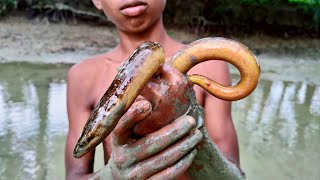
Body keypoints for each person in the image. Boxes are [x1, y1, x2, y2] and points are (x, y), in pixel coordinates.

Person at [65, 0, 240, 179]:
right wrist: (112, 175)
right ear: (96, 1)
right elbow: (74, 176)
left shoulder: (210, 64)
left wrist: (192, 121)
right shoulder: (81, 76)